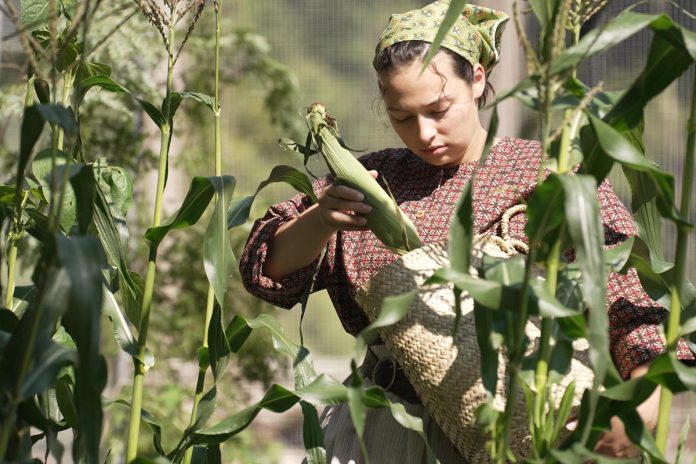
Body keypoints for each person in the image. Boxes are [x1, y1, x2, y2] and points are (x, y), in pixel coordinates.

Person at [239, 1, 694, 462]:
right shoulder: (370, 183)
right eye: (402, 116)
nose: (425, 133)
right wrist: (320, 220)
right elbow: (267, 270)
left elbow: (631, 302)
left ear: (477, 80)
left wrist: (640, 403)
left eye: (439, 109)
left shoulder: (547, 173)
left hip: (526, 429)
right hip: (388, 432)